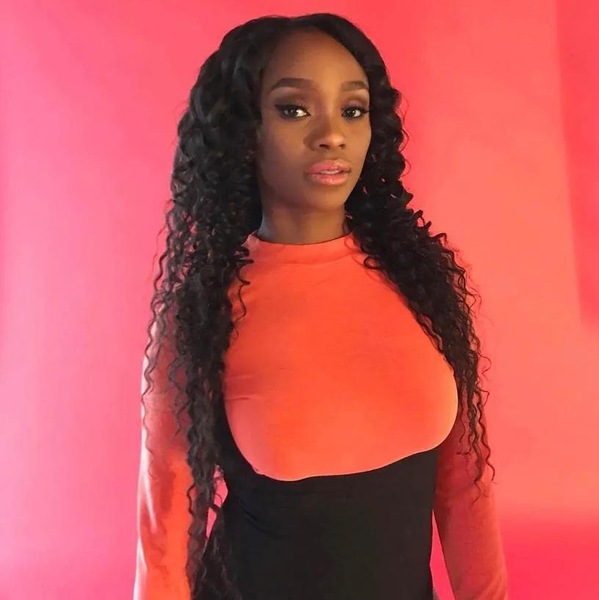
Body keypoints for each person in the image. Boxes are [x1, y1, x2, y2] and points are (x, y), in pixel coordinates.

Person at [133, 12, 509, 600]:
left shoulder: (422, 279)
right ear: (245, 132)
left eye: (352, 110)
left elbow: (464, 487)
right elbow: (166, 530)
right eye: (294, 109)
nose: (332, 134)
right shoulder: (204, 311)